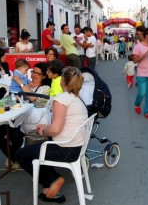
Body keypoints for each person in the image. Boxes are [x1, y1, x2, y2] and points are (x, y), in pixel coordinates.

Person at [15, 66, 87, 203]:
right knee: (38, 148)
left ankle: (52, 181)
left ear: (62, 81)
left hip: (65, 149)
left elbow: (55, 130)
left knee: (21, 154)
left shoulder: (61, 99)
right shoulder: (77, 98)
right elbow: (65, 124)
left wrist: (44, 130)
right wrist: (47, 127)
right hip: (75, 146)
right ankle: (51, 187)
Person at [0, 62, 50, 171]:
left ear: (44, 76)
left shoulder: (45, 88)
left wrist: (21, 84)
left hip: (29, 122)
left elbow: (33, 98)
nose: (34, 75)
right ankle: (14, 157)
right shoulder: (28, 84)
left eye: (38, 73)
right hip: (16, 117)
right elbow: (15, 98)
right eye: (33, 72)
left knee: (15, 133)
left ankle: (15, 157)